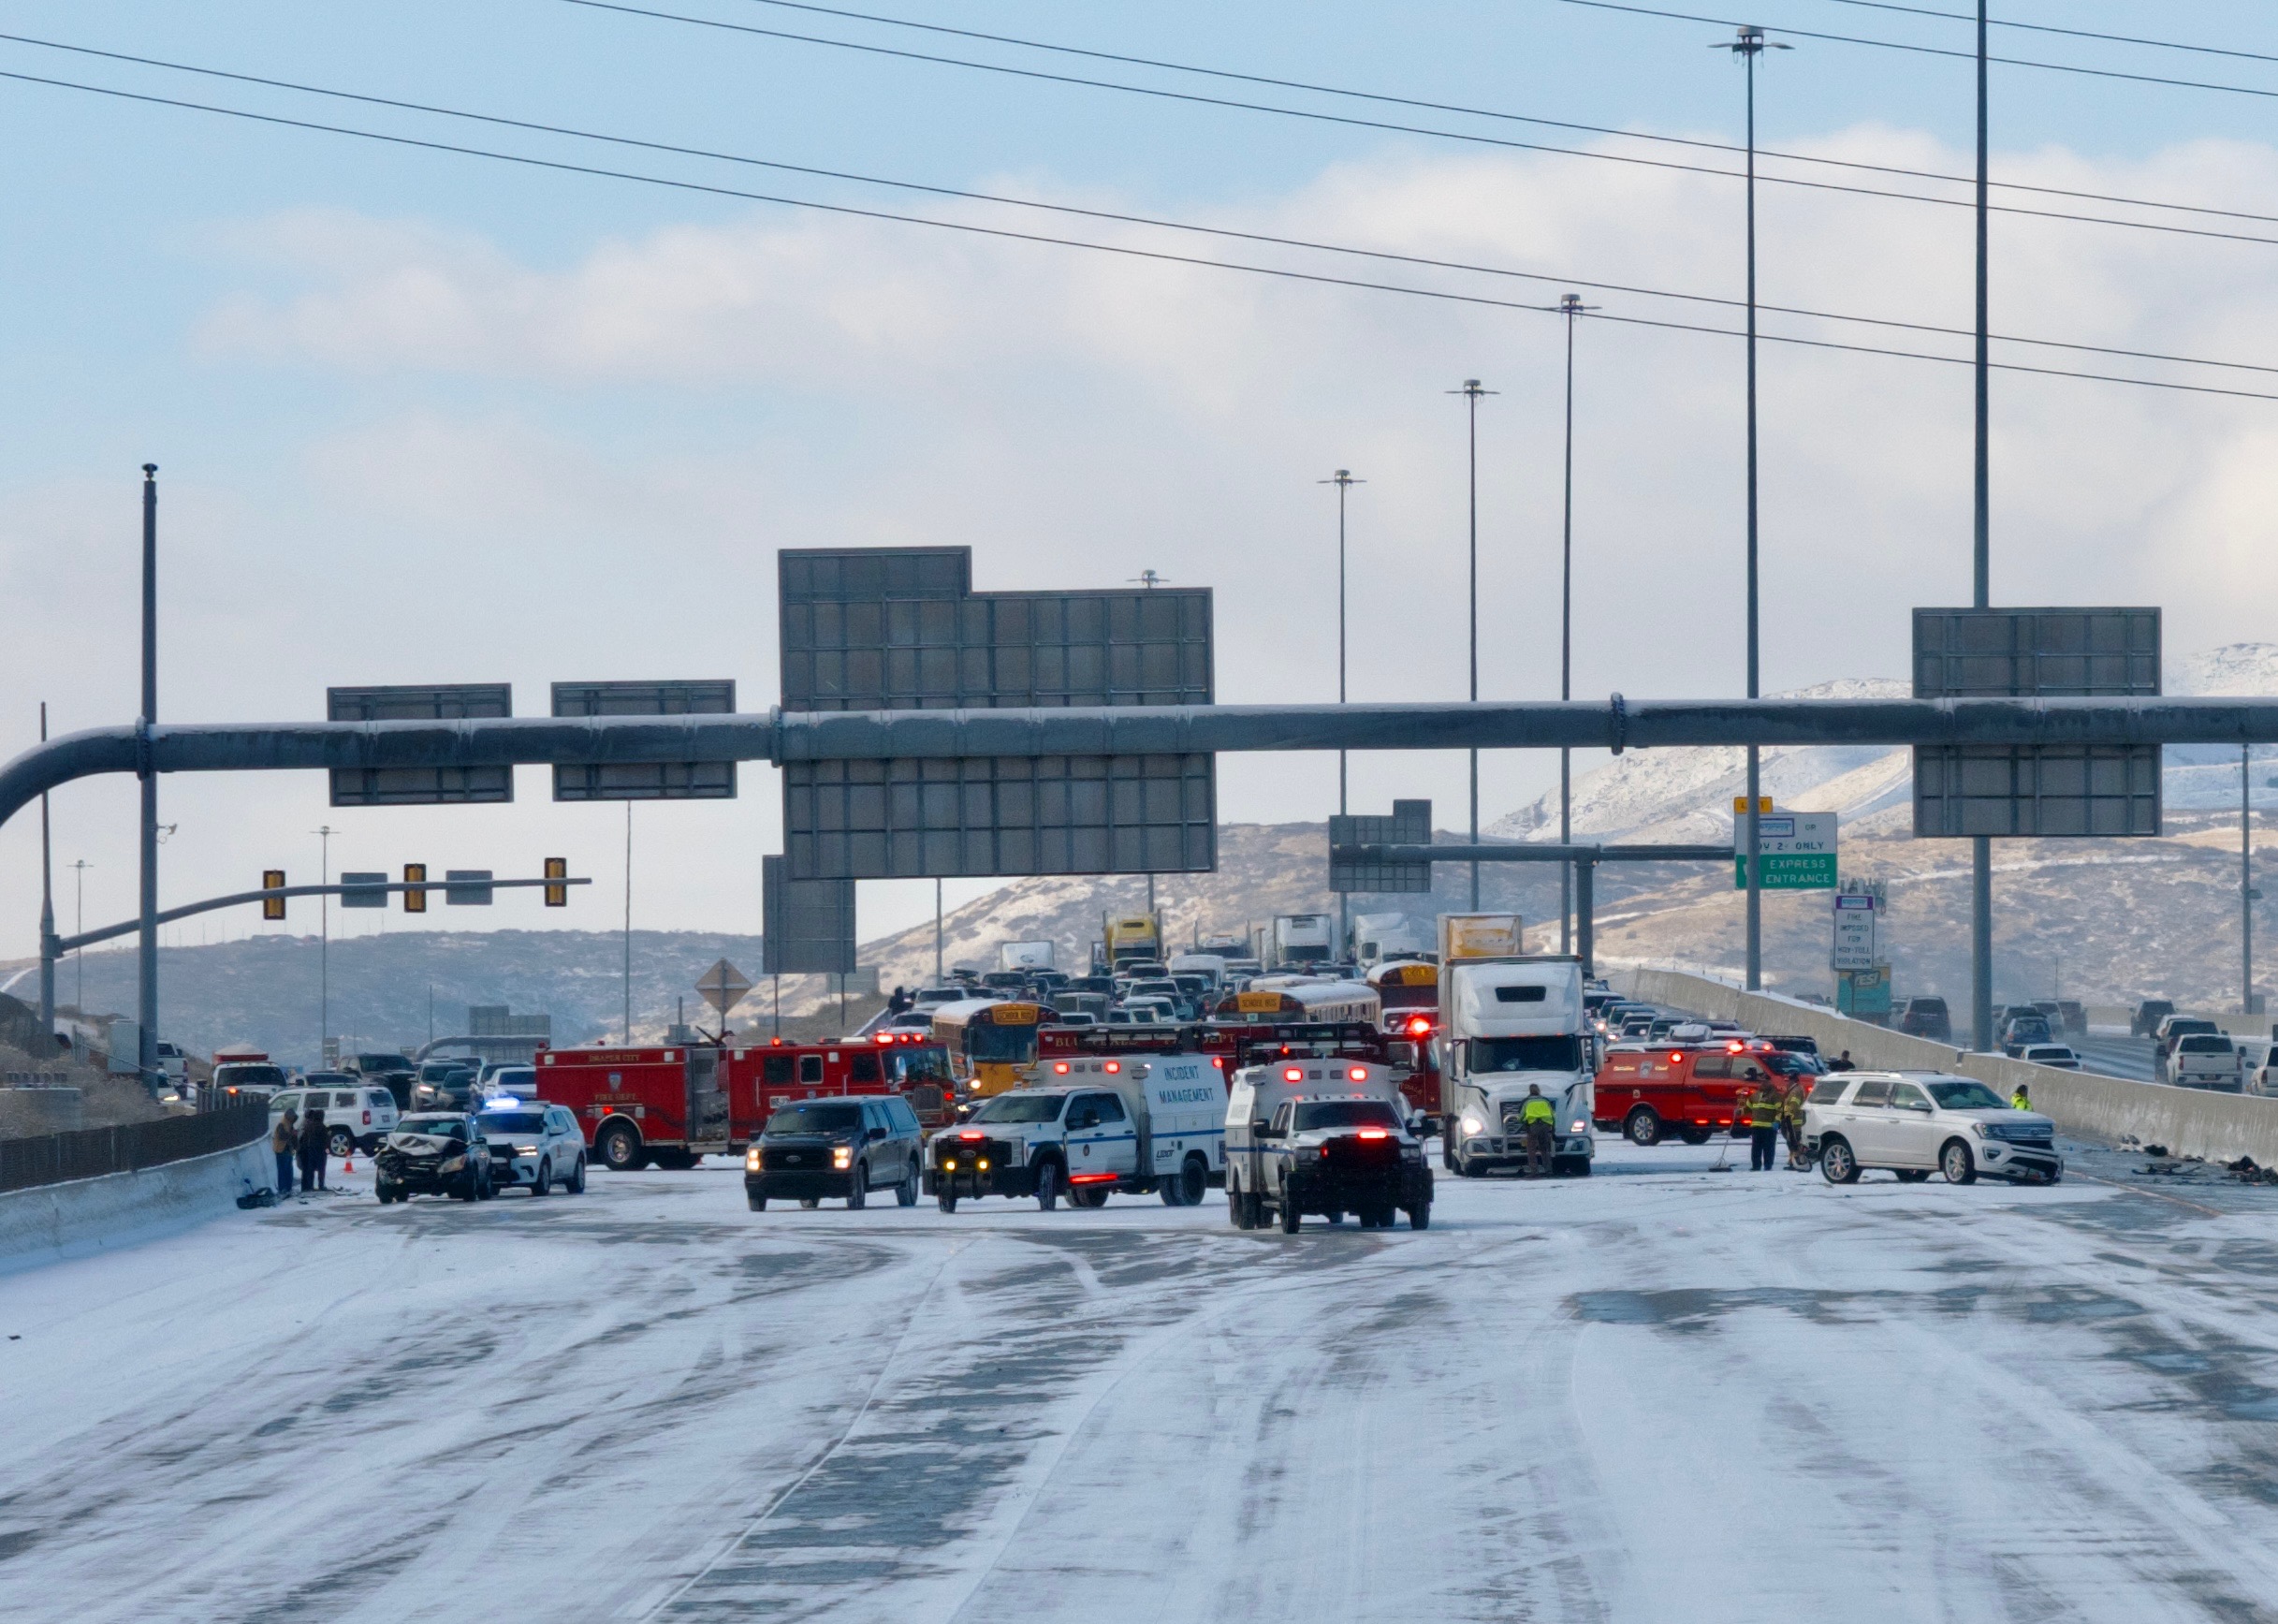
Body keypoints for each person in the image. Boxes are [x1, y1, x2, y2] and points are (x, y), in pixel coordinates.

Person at [1743, 1077, 1782, 1172]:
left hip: (1769, 1127)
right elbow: (1748, 1108)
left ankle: (1768, 1166)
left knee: (1768, 1148)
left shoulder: (1775, 1096)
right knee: (1756, 1148)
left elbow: (1780, 1110)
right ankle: (1756, 1166)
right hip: (1756, 1126)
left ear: (1770, 1083)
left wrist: (1777, 1121)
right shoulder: (1755, 1095)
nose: (1763, 1084)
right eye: (1762, 1082)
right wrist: (1740, 1112)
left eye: (1765, 1082)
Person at [1518, 1083, 1556, 1178]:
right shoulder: (1545, 1101)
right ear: (1539, 1090)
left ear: (1530, 1091)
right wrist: (1553, 1129)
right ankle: (1548, 1170)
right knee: (1545, 1149)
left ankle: (1534, 1171)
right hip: (1546, 1126)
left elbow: (1521, 1116)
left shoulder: (1527, 1102)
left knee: (1531, 1149)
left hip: (1533, 1126)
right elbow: (1553, 1115)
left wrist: (1523, 1123)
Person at [297, 1106, 329, 1194]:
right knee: (321, 1169)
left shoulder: (308, 1126)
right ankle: (321, 1185)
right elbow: (326, 1140)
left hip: (310, 1151)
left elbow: (304, 1139)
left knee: (310, 1169)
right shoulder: (322, 1127)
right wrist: (327, 1148)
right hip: (321, 1152)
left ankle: (309, 1186)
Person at [1780, 1076, 1809, 1170]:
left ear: (1792, 1081)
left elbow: (1793, 1106)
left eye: (1788, 1081)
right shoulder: (1793, 1090)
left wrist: (1788, 1117)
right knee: (1792, 1143)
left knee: (1794, 1143)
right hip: (1792, 1121)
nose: (1786, 1083)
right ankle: (1793, 1162)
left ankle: (1797, 1163)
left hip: (1793, 1122)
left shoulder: (1795, 1091)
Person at [270, 1106, 299, 1198]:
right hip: (281, 1150)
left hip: (288, 1150)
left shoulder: (289, 1125)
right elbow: (282, 1136)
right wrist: (292, 1134)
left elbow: (292, 1138)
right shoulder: (281, 1125)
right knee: (283, 1170)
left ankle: (288, 1188)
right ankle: (283, 1189)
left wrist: (296, 1145)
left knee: (289, 1170)